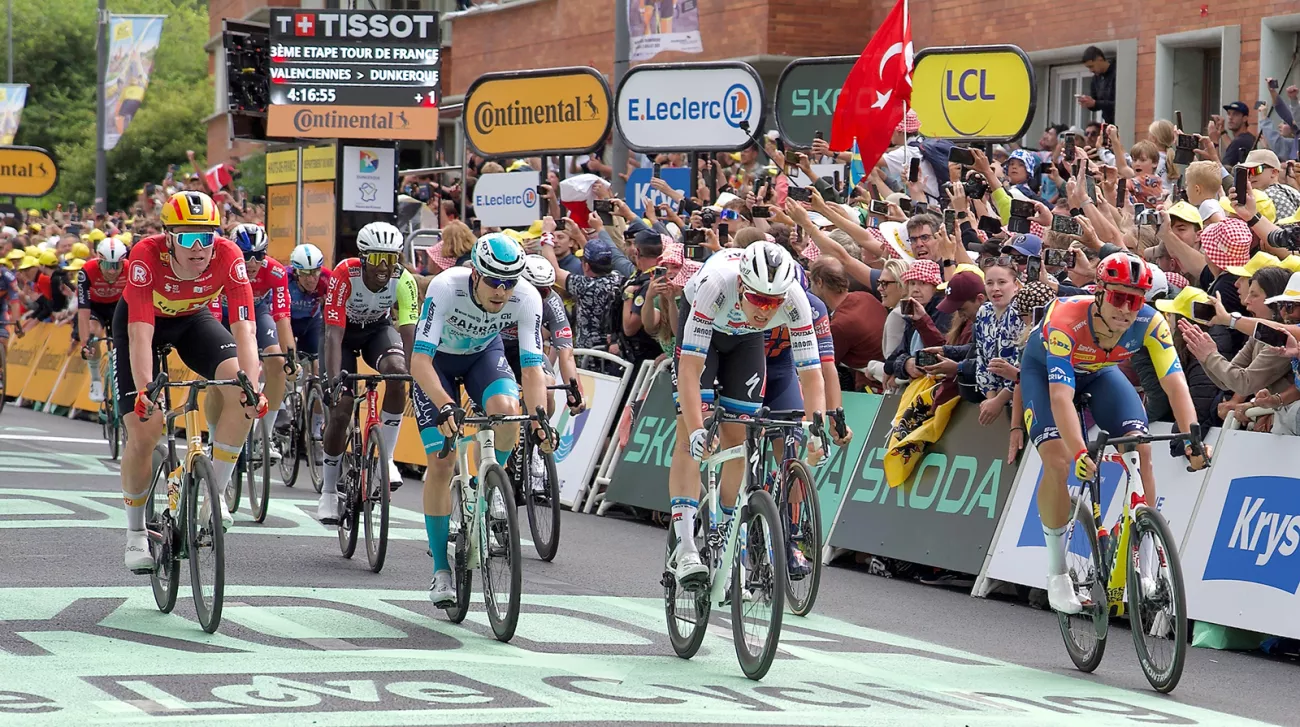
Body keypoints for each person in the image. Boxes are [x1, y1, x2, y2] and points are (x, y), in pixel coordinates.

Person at [1017, 253, 1210, 614]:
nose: (1126, 309)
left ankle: (1144, 561)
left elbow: (1176, 386)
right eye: (1118, 297)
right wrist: (1079, 453)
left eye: (1134, 300)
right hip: (1045, 377)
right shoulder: (1066, 320)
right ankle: (1057, 574)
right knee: (1058, 463)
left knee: (1141, 450)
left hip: (1100, 373)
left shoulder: (1151, 324)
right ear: (1100, 293)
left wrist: (1192, 440)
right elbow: (1061, 397)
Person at [116, 191, 266, 572]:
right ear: (168, 238)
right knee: (145, 431)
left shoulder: (229, 256)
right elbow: (139, 335)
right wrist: (146, 390)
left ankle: (211, 496)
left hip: (193, 322)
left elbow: (245, 327)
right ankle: (135, 535)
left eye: (207, 237)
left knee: (242, 392)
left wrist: (252, 385)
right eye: (187, 237)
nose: (199, 248)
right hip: (142, 323)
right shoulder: (146, 257)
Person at [668, 241, 828, 586]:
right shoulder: (716, 286)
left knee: (740, 439)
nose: (765, 310)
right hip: (705, 334)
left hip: (746, 341)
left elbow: (811, 373)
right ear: (742, 286)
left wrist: (817, 428)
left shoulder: (795, 299)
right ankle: (685, 548)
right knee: (691, 436)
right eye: (758, 299)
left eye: (774, 303)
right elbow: (690, 370)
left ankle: (725, 534)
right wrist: (697, 429)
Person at [408, 233, 552, 606]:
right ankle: (441, 570)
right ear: (474, 274)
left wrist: (539, 419)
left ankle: (492, 480)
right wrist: (443, 404)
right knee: (442, 461)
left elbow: (533, 369)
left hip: (481, 356)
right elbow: (419, 361)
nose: (502, 292)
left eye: (509, 283)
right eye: (493, 281)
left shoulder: (527, 297)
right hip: (436, 362)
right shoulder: (445, 287)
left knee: (508, 410)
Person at [317, 222, 419, 522]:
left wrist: (411, 377)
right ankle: (329, 491)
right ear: (363, 258)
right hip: (342, 336)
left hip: (377, 331)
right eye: (377, 259)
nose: (384, 268)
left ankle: (386, 458)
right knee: (342, 408)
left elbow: (409, 331)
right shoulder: (343, 275)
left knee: (398, 373)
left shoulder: (404, 280)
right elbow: (334, 335)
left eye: (391, 259)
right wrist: (336, 383)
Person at [213, 224, 295, 461]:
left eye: (259, 256)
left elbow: (282, 316)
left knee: (277, 363)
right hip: (225, 315)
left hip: (256, 311)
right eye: (245, 255)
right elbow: (215, 319)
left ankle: (264, 438)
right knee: (220, 369)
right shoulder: (220, 266)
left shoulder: (276, 272)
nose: (252, 263)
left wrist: (290, 356)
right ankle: (213, 437)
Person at [74, 238, 130, 402]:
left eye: (116, 266)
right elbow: (83, 310)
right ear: (99, 262)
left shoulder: (131, 268)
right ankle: (96, 380)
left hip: (119, 306)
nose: (112, 271)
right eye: (107, 265)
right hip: (96, 307)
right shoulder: (86, 272)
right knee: (94, 332)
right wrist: (85, 343)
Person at [1079, 46, 1116, 125]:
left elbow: (1119, 103)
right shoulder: (1095, 79)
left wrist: (1095, 103)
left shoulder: (1116, 72)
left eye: (1091, 66)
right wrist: (1088, 103)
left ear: (1100, 59)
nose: (1091, 70)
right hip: (1109, 123)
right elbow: (1096, 104)